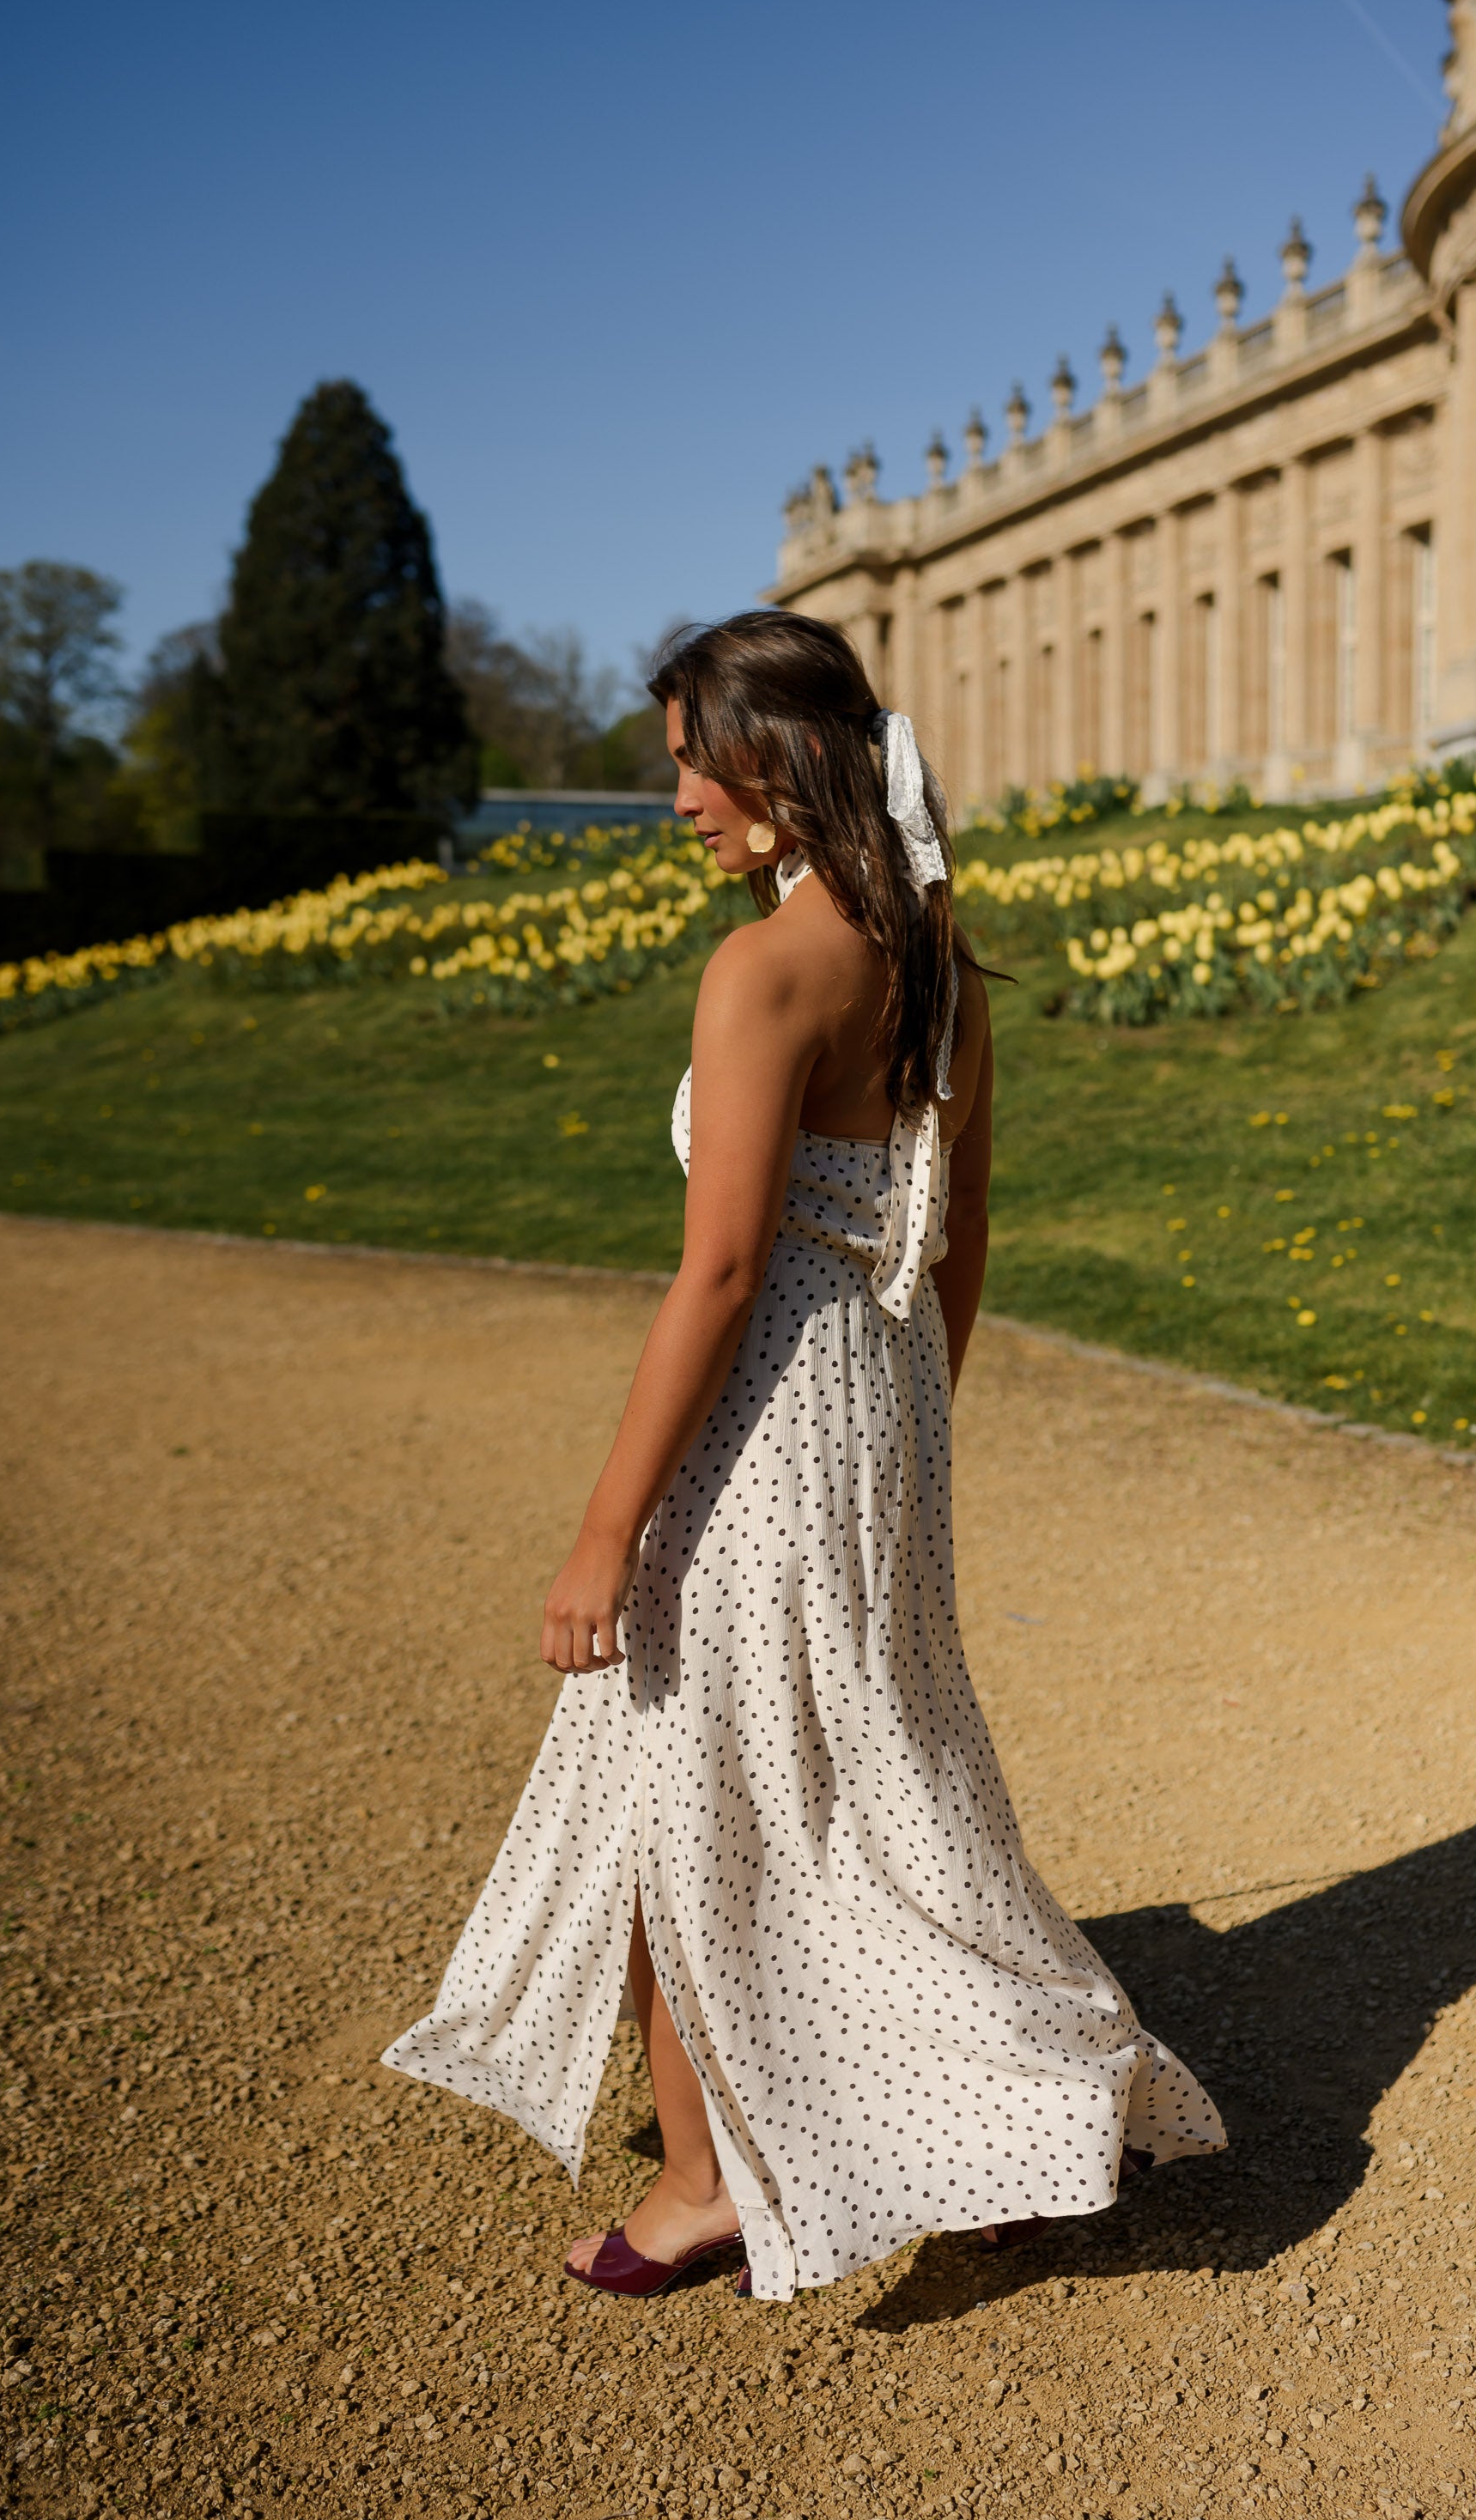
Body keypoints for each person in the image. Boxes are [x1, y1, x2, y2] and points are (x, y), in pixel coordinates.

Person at [384, 612, 1222, 2301]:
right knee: (870, 1785)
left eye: (695, 761)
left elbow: (719, 1271)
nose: (678, 797)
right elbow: (957, 1232)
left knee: (695, 1789)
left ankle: (704, 2185)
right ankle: (1002, 2123)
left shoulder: (762, 970)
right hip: (883, 1403)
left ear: (777, 757)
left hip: (765, 1414)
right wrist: (913, 1434)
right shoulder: (937, 964)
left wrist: (604, 1529)